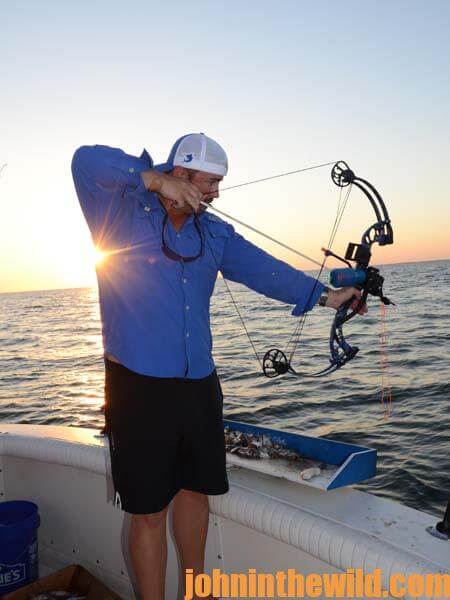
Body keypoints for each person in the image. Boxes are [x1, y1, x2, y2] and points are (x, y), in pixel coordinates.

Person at [71, 133, 364, 600]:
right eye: (210, 182)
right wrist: (151, 180)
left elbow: (266, 271)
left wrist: (328, 298)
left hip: (199, 387)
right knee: (147, 512)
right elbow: (85, 161)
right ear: (180, 175)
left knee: (195, 493)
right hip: (137, 388)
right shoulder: (120, 211)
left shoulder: (215, 233)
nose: (216, 194)